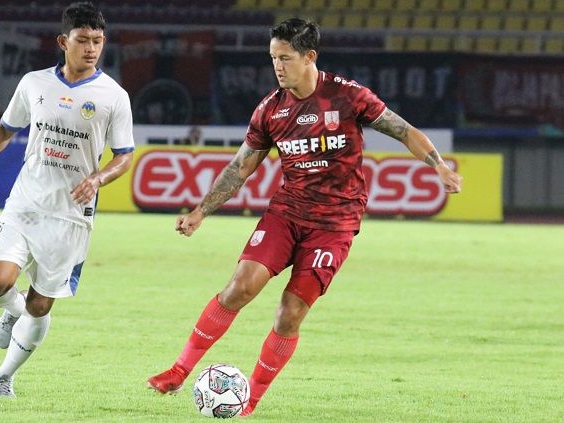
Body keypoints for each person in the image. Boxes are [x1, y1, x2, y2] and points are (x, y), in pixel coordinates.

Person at [147, 18, 462, 416]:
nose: (278, 67)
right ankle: (178, 370)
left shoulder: (348, 96)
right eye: (273, 58)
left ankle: (250, 403)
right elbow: (241, 167)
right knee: (239, 288)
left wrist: (439, 166)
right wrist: (200, 211)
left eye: (286, 58)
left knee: (289, 314)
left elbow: (403, 130)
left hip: (335, 225)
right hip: (287, 212)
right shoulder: (270, 110)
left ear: (310, 56)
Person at [0, 1, 134, 397]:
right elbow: (4, 130)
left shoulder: (114, 96)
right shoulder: (34, 83)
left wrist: (99, 178)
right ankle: (10, 312)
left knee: (40, 306)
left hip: (71, 216)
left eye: (98, 41)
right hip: (26, 201)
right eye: (82, 40)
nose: (91, 48)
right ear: (62, 41)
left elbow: (124, 157)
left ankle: (3, 377)